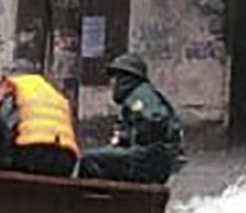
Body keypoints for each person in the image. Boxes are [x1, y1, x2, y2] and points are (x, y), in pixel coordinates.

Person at [76, 52, 181, 184]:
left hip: (151, 156)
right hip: (153, 155)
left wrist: (132, 140)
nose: (111, 82)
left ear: (125, 77)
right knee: (103, 160)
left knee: (90, 161)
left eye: (114, 77)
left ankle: (84, 202)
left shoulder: (141, 95)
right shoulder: (134, 97)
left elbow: (156, 120)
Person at [0, 61, 81, 178]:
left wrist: (0, 164)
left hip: (32, 155)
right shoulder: (54, 93)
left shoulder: (14, 86)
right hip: (65, 159)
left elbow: (5, 127)